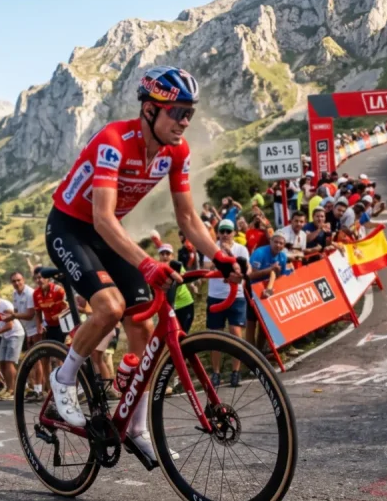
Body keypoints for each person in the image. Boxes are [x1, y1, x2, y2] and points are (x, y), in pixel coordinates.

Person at [44, 65, 242, 462]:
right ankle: (63, 378)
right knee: (110, 307)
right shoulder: (114, 141)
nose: (185, 121)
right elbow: (101, 216)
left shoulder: (177, 152)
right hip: (70, 227)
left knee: (144, 324)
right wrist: (147, 264)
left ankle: (135, 424)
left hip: (106, 232)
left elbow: (187, 219)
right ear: (150, 110)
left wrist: (220, 257)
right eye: (177, 112)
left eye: (190, 112)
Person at [204, 220, 250, 388]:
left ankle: (235, 372)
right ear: (218, 233)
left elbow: (247, 269)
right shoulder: (211, 247)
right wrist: (221, 257)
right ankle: (215, 373)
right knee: (215, 336)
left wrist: (231, 256)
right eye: (222, 231)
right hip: (215, 296)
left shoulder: (241, 249)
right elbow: (206, 267)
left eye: (228, 231)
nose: (225, 234)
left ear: (234, 233)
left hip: (236, 296)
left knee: (235, 333)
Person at [158, 244, 196, 333]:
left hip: (185, 304)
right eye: (162, 254)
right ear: (159, 256)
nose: (165, 256)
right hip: (168, 307)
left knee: (183, 333)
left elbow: (184, 277)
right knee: (171, 333)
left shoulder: (178, 267)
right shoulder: (157, 269)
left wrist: (193, 286)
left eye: (167, 254)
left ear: (172, 256)